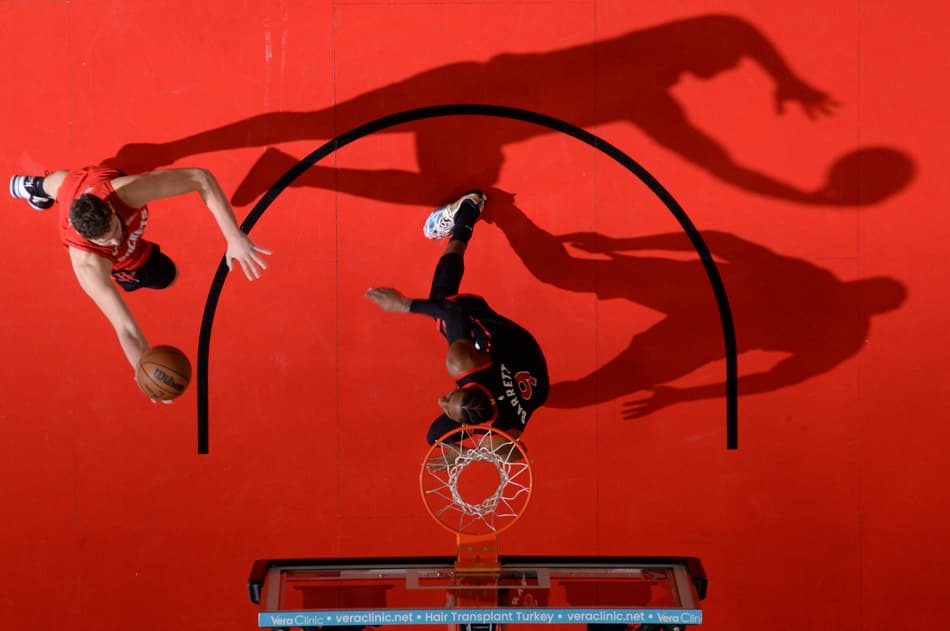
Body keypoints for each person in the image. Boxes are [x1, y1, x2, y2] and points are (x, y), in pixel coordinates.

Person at [9, 167, 271, 397]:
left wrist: (234, 237)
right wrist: (145, 373)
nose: (114, 240)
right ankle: (37, 188)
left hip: (89, 179)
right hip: (119, 259)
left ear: (110, 208)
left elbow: (200, 178)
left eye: (112, 229)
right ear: (88, 238)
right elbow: (125, 328)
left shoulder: (124, 193)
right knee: (165, 277)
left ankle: (39, 186)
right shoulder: (89, 264)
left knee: (69, 181)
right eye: (104, 240)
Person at [365, 192, 549, 446]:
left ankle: (467, 213)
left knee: (436, 438)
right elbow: (451, 312)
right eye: (449, 397)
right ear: (466, 387)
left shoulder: (501, 431)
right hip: (512, 342)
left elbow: (437, 435)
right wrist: (404, 305)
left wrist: (457, 452)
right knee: (444, 299)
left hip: (536, 383)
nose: (440, 401)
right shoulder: (462, 362)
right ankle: (467, 212)